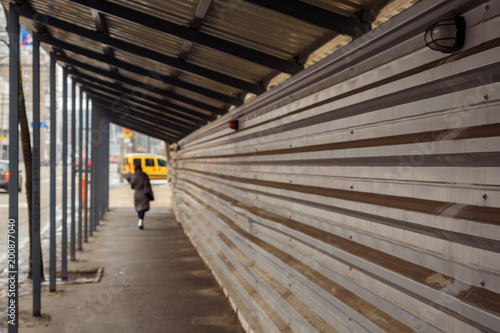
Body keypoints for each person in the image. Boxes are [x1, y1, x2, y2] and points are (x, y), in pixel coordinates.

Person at [130, 163, 151, 229]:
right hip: (144, 194)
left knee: (139, 208)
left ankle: (140, 220)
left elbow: (132, 186)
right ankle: (141, 220)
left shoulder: (134, 176)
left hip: (137, 194)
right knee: (143, 208)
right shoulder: (144, 175)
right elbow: (148, 184)